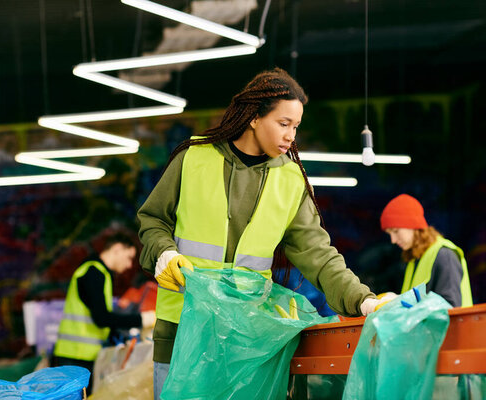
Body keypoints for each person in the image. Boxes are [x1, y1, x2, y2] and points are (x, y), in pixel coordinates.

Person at [137, 67, 387, 398]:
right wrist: (164, 252)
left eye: (295, 127)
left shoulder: (291, 181)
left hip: (247, 342)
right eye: (284, 124)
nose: (291, 136)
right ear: (254, 117)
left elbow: (320, 256)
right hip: (182, 334)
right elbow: (153, 220)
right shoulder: (193, 157)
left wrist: (364, 300)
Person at [52, 231, 155, 394]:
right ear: (117, 249)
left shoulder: (99, 273)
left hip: (79, 356)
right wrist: (143, 319)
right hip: (76, 357)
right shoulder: (94, 273)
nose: (129, 265)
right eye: (129, 257)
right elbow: (101, 318)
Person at [380, 194, 473, 307]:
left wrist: (399, 300)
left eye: (395, 231)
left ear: (413, 225)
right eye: (389, 234)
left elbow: (450, 308)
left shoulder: (444, 255)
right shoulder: (416, 258)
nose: (393, 240)